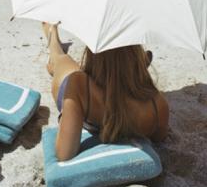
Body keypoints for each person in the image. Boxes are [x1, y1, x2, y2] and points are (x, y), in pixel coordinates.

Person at [42, 22, 168, 162]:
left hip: (77, 93)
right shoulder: (158, 104)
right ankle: (128, 70)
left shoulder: (77, 83)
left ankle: (52, 33)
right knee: (65, 65)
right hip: (99, 87)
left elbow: (64, 154)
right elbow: (160, 137)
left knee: (59, 58)